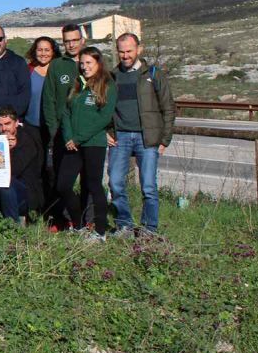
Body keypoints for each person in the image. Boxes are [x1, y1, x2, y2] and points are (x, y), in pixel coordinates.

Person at [108, 33, 175, 235]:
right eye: (122, 51)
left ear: (139, 49)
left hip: (147, 138)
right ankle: (124, 225)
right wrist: (107, 131)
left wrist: (165, 139)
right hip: (120, 137)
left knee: (148, 186)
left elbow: (169, 108)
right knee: (115, 182)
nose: (125, 55)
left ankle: (149, 229)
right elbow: (105, 107)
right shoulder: (112, 76)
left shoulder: (154, 74)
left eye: (129, 51)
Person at [57, 46, 115, 239]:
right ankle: (79, 224)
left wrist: (79, 138)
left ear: (98, 63)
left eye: (89, 63)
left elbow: (104, 118)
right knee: (63, 185)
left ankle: (100, 231)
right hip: (72, 144)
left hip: (93, 143)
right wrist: (69, 137)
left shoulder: (107, 85)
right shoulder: (77, 84)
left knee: (93, 185)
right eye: (81, 63)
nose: (84, 67)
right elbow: (66, 112)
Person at [41, 23, 86, 228]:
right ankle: (61, 218)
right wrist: (53, 130)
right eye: (67, 41)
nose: (71, 44)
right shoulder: (58, 65)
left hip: (88, 133)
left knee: (89, 180)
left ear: (82, 40)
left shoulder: (92, 62)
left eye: (75, 40)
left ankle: (88, 219)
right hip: (61, 133)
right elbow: (49, 100)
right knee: (60, 179)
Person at [25, 36, 59, 131]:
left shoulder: (60, 71)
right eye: (40, 50)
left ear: (53, 52)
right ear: (35, 51)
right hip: (31, 126)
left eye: (47, 50)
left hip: (55, 127)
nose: (43, 53)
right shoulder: (27, 71)